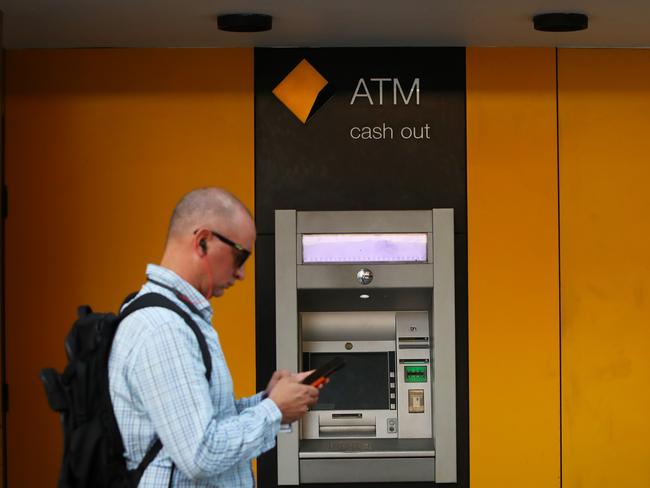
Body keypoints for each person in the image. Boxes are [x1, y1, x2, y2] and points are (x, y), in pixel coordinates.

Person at [108, 187, 319, 487]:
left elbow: (207, 422)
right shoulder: (164, 328)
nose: (242, 273)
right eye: (240, 255)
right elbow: (201, 453)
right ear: (203, 241)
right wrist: (274, 411)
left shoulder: (179, 317)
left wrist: (268, 401)